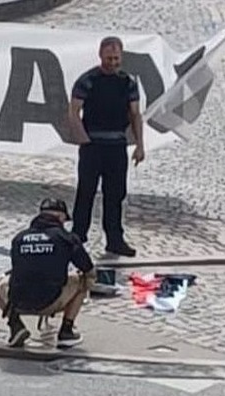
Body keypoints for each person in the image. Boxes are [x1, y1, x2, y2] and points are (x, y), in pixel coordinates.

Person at [67, 36, 145, 257]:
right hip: (93, 146)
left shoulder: (128, 82)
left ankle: (114, 239)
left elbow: (135, 114)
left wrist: (140, 145)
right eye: (109, 58)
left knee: (115, 194)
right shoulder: (88, 80)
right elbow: (73, 111)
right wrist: (84, 139)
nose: (113, 63)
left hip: (117, 146)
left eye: (116, 58)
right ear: (100, 55)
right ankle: (77, 236)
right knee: (86, 192)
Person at [0, 198, 97, 349]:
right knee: (83, 279)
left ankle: (15, 325)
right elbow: (87, 267)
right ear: (60, 216)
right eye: (64, 220)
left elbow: (19, 268)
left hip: (18, 301)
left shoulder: (19, 238)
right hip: (51, 299)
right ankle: (66, 331)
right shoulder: (66, 238)